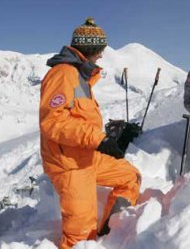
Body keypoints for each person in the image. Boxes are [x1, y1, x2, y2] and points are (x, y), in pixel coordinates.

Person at [39, 18, 141, 249]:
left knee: (129, 176)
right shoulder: (63, 74)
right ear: (91, 48)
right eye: (101, 50)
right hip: (70, 165)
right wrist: (99, 139)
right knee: (80, 235)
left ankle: (109, 234)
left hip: (86, 156)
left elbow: (79, 119)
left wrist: (106, 140)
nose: (102, 55)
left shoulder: (81, 77)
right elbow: (53, 122)